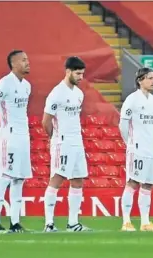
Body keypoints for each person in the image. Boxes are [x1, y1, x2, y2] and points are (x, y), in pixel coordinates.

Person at [0, 50, 32, 233]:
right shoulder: (4, 83)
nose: (28, 63)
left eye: (27, 59)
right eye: (24, 60)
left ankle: (15, 222)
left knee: (19, 178)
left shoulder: (27, 85)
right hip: (9, 135)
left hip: (23, 135)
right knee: (4, 177)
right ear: (14, 64)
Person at [41, 56, 91, 232]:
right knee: (57, 178)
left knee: (77, 180)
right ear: (68, 72)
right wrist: (54, 139)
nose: (80, 77)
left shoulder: (79, 94)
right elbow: (46, 121)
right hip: (62, 142)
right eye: (77, 73)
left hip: (77, 141)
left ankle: (73, 223)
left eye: (82, 74)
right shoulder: (56, 93)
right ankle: (49, 224)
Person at [118, 67, 153, 232]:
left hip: (150, 148)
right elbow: (123, 124)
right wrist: (129, 143)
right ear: (140, 80)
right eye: (150, 78)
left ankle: (145, 222)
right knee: (132, 182)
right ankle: (126, 222)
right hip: (136, 147)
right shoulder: (131, 100)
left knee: (149, 184)